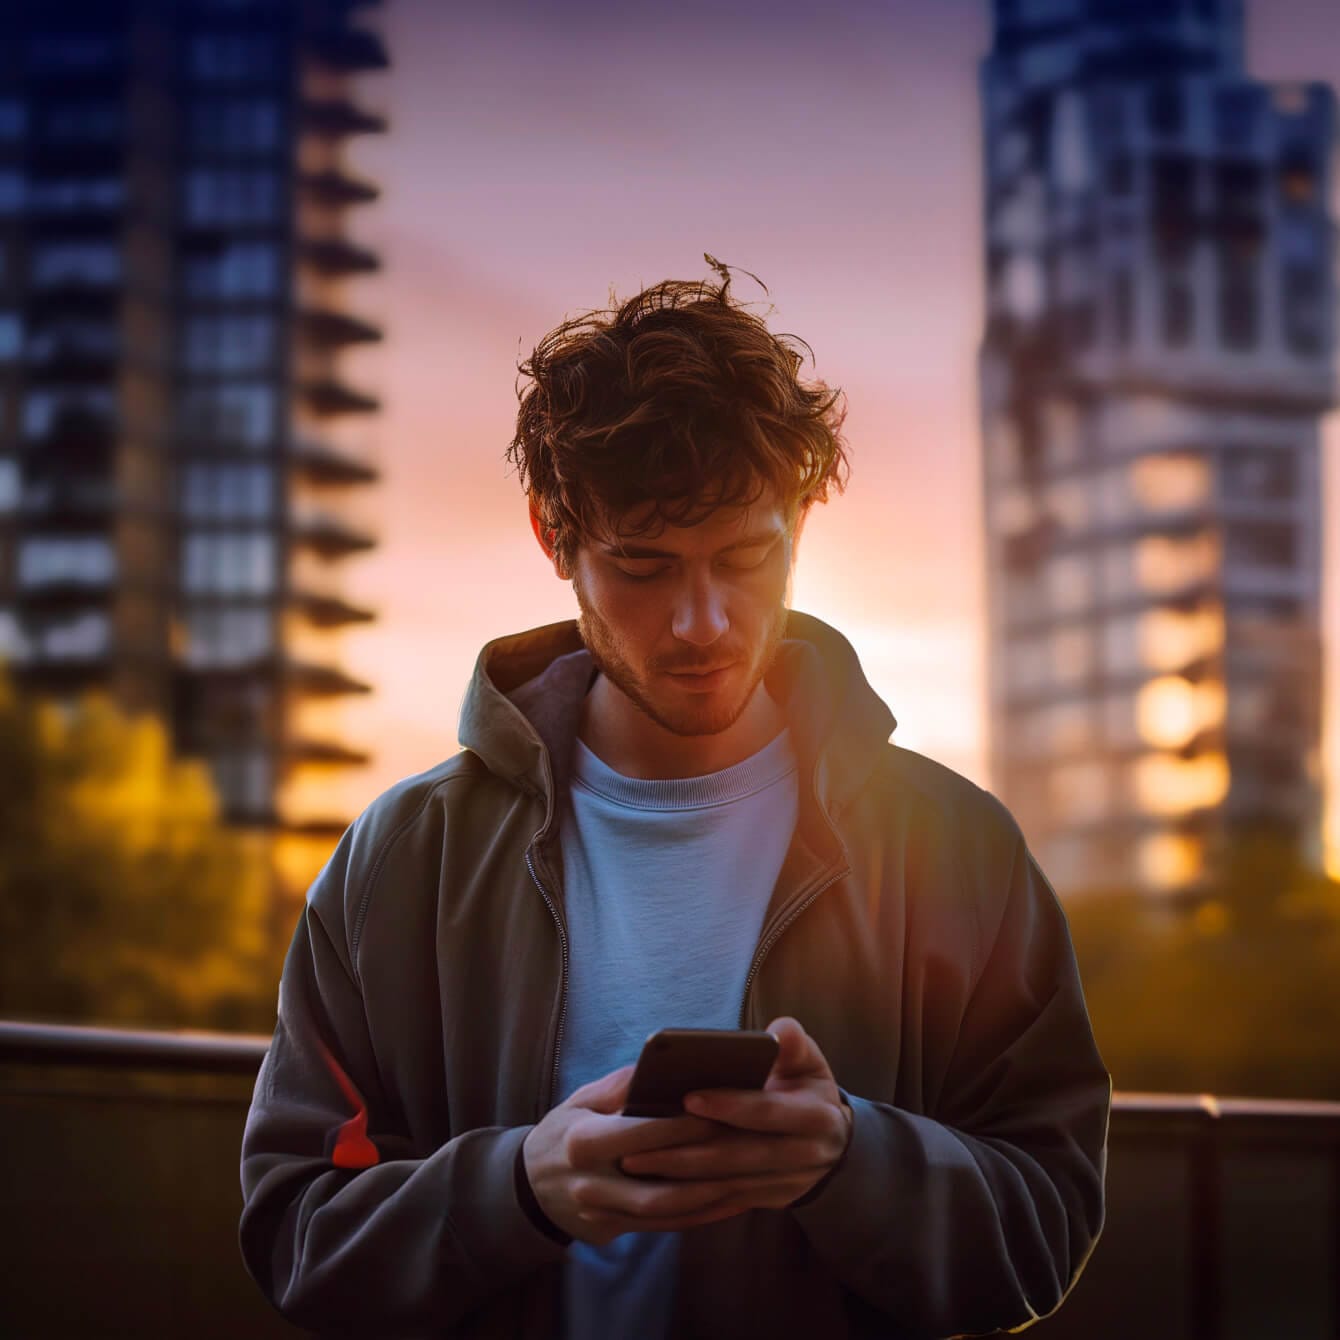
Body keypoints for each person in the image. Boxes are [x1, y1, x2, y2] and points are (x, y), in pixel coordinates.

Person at [239, 264, 1111, 1339]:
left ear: (801, 518)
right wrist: (516, 1189)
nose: (701, 620)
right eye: (642, 565)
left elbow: (1046, 1226)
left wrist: (851, 1158)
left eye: (745, 556)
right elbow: (295, 1232)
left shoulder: (956, 849)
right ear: (551, 534)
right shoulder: (403, 857)